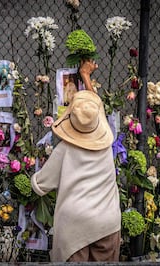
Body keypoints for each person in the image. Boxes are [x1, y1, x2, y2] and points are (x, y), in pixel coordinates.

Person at [31, 59, 121, 262]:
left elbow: (41, 185)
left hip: (74, 224)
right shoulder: (106, 145)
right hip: (107, 221)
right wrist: (86, 76)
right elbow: (94, 110)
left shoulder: (64, 150)